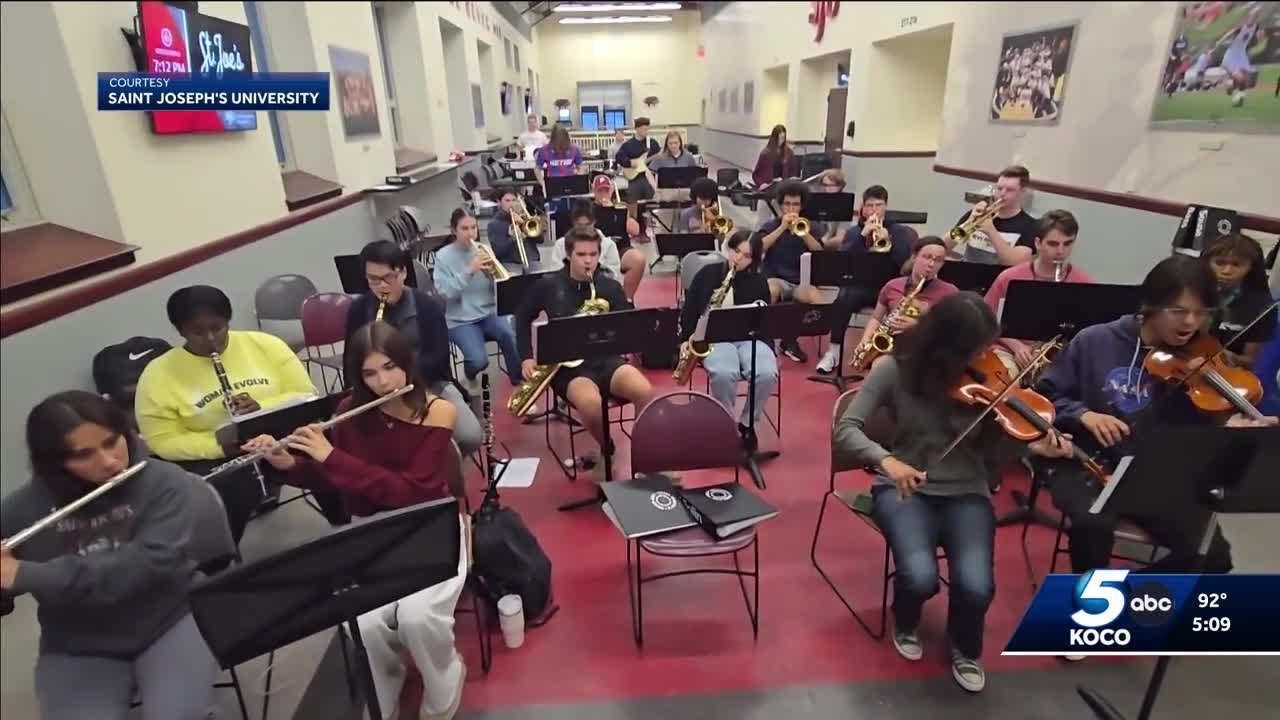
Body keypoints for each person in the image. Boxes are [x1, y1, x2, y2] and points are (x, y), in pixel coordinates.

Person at [835, 293, 1075, 693]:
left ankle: (966, 646)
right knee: (919, 575)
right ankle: (907, 617)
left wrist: (1029, 445)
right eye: (978, 348)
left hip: (967, 490)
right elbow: (847, 430)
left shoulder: (986, 382)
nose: (988, 357)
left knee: (977, 584)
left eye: (989, 347)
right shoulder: (895, 370)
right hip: (904, 487)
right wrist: (887, 461)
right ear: (946, 345)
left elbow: (993, 455)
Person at [243, 322, 468, 720]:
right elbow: (327, 477)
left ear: (407, 365)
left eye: (390, 367)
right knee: (362, 624)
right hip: (367, 529)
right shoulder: (348, 411)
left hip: (429, 526)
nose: (382, 382)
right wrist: (288, 463)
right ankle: (386, 678)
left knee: (417, 618)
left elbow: (411, 493)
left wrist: (331, 456)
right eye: (369, 373)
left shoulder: (437, 411)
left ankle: (445, 674)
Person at [1035, 255, 1278, 582]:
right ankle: (1093, 610)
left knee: (1214, 558)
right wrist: (1085, 414)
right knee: (1093, 525)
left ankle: (1133, 597)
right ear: (1151, 305)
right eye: (1179, 311)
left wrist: (1228, 429)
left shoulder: (1204, 357)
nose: (1190, 322)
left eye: (1201, 313)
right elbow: (1046, 398)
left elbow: (1204, 426)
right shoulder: (1096, 340)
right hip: (1088, 463)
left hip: (1157, 474)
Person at [2, 391, 220, 720]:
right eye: (84, 454)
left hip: (170, 618)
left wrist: (26, 573)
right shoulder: (20, 510)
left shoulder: (163, 482)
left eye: (111, 442)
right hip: (77, 642)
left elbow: (145, 565)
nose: (109, 461)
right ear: (55, 463)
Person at [134, 284, 316, 542]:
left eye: (217, 328)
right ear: (180, 330)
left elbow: (306, 394)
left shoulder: (265, 345)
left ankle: (342, 525)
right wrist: (219, 446)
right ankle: (227, 557)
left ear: (228, 321)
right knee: (222, 496)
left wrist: (262, 407)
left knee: (326, 457)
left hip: (280, 435)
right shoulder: (157, 375)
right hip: (218, 455)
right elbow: (161, 441)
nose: (210, 340)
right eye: (197, 332)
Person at [516, 227, 655, 481]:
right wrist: (526, 356)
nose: (588, 260)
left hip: (605, 360)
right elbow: (522, 317)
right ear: (569, 255)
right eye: (581, 254)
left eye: (593, 254)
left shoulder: (609, 286)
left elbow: (628, 323)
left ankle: (645, 454)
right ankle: (607, 449)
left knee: (645, 391)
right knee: (590, 404)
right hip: (567, 368)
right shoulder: (548, 285)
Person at [345, 240, 483, 457]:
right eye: (373, 280)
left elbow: (439, 359)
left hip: (427, 384)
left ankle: (439, 470)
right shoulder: (359, 309)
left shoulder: (426, 306)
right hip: (376, 391)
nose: (381, 286)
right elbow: (350, 359)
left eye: (387, 278)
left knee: (471, 435)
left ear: (403, 273)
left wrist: (404, 377)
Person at [679, 230, 777, 449]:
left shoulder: (759, 281)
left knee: (766, 373)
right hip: (714, 339)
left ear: (755, 259)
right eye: (736, 251)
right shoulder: (707, 274)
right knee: (724, 373)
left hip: (750, 339)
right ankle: (725, 424)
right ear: (728, 249)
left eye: (747, 255)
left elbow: (764, 320)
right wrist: (686, 338)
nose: (738, 259)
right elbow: (690, 310)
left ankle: (747, 424)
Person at [815, 185, 916, 375]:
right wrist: (862, 238)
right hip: (861, 286)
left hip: (889, 286)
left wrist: (890, 244)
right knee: (842, 299)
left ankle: (886, 355)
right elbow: (844, 262)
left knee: (903, 310)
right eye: (870, 205)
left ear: (886, 206)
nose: (875, 210)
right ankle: (833, 351)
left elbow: (905, 265)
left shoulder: (900, 232)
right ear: (863, 208)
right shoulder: (854, 232)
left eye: (879, 205)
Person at [983, 209, 1094, 371]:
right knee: (1008, 377)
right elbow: (987, 321)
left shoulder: (1084, 282)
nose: (1061, 251)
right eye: (1053, 244)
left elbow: (1086, 332)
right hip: (1009, 352)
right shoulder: (1009, 277)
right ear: (1037, 243)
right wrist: (1017, 346)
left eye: (1068, 243)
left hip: (1056, 358)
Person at [434, 208, 523, 389]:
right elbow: (445, 293)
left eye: (473, 228)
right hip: (459, 319)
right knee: (478, 361)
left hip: (488, 312)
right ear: (454, 230)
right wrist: (469, 271)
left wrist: (493, 276)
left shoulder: (484, 249)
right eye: (464, 229)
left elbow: (496, 290)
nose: (470, 233)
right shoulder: (443, 256)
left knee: (510, 336)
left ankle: (520, 384)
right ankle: (469, 371)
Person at [849, 237, 959, 375]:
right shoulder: (892, 286)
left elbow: (953, 332)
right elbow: (876, 318)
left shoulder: (950, 292)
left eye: (938, 260)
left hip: (929, 351)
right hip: (894, 348)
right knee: (879, 369)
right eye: (927, 257)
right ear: (914, 257)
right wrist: (865, 339)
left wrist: (918, 325)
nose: (931, 264)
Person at [751, 180, 828, 363]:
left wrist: (804, 233)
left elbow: (820, 253)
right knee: (770, 290)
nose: (791, 209)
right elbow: (758, 249)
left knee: (817, 300)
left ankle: (789, 338)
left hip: (802, 281)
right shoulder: (771, 226)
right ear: (780, 205)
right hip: (776, 278)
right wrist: (782, 228)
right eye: (787, 204)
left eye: (795, 204)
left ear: (802, 206)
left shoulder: (811, 227)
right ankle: (766, 337)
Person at [1201, 232, 1277, 369]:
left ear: (1250, 267)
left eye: (1236, 265)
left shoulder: (1262, 307)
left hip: (1227, 372)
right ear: (1207, 262)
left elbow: (1251, 362)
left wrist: (1229, 357)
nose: (1227, 271)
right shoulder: (1190, 292)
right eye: (1219, 263)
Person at [555, 194, 645, 302]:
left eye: (587, 224)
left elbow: (613, 280)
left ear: (594, 222)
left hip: (601, 296)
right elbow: (556, 279)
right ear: (573, 223)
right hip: (569, 296)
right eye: (579, 225)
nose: (583, 229)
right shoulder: (560, 245)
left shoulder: (608, 245)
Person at [948, 165, 1039, 265]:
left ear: (1022, 192)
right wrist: (968, 222)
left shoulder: (1031, 226)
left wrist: (991, 231)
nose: (1002, 194)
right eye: (999, 188)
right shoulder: (979, 214)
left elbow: (1014, 263)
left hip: (997, 279)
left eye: (1010, 190)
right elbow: (945, 247)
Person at [486, 187, 542, 273]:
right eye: (507, 201)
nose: (511, 204)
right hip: (510, 263)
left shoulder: (525, 218)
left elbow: (540, 240)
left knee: (543, 280)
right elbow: (498, 251)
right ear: (499, 202)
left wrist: (523, 224)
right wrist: (513, 239)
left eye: (514, 200)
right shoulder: (494, 224)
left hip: (532, 260)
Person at [614, 116, 661, 218]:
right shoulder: (628, 145)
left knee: (653, 203)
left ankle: (652, 224)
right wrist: (630, 163)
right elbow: (619, 157)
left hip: (649, 178)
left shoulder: (652, 143)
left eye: (647, 129)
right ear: (637, 129)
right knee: (632, 202)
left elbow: (659, 157)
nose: (646, 131)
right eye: (643, 129)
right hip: (634, 178)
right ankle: (633, 224)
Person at [751, 124, 799, 188]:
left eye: (782, 138)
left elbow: (793, 171)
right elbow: (757, 174)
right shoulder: (766, 153)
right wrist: (761, 184)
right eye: (778, 139)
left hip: (784, 187)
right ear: (774, 138)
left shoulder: (789, 152)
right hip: (770, 186)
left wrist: (791, 180)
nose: (780, 141)